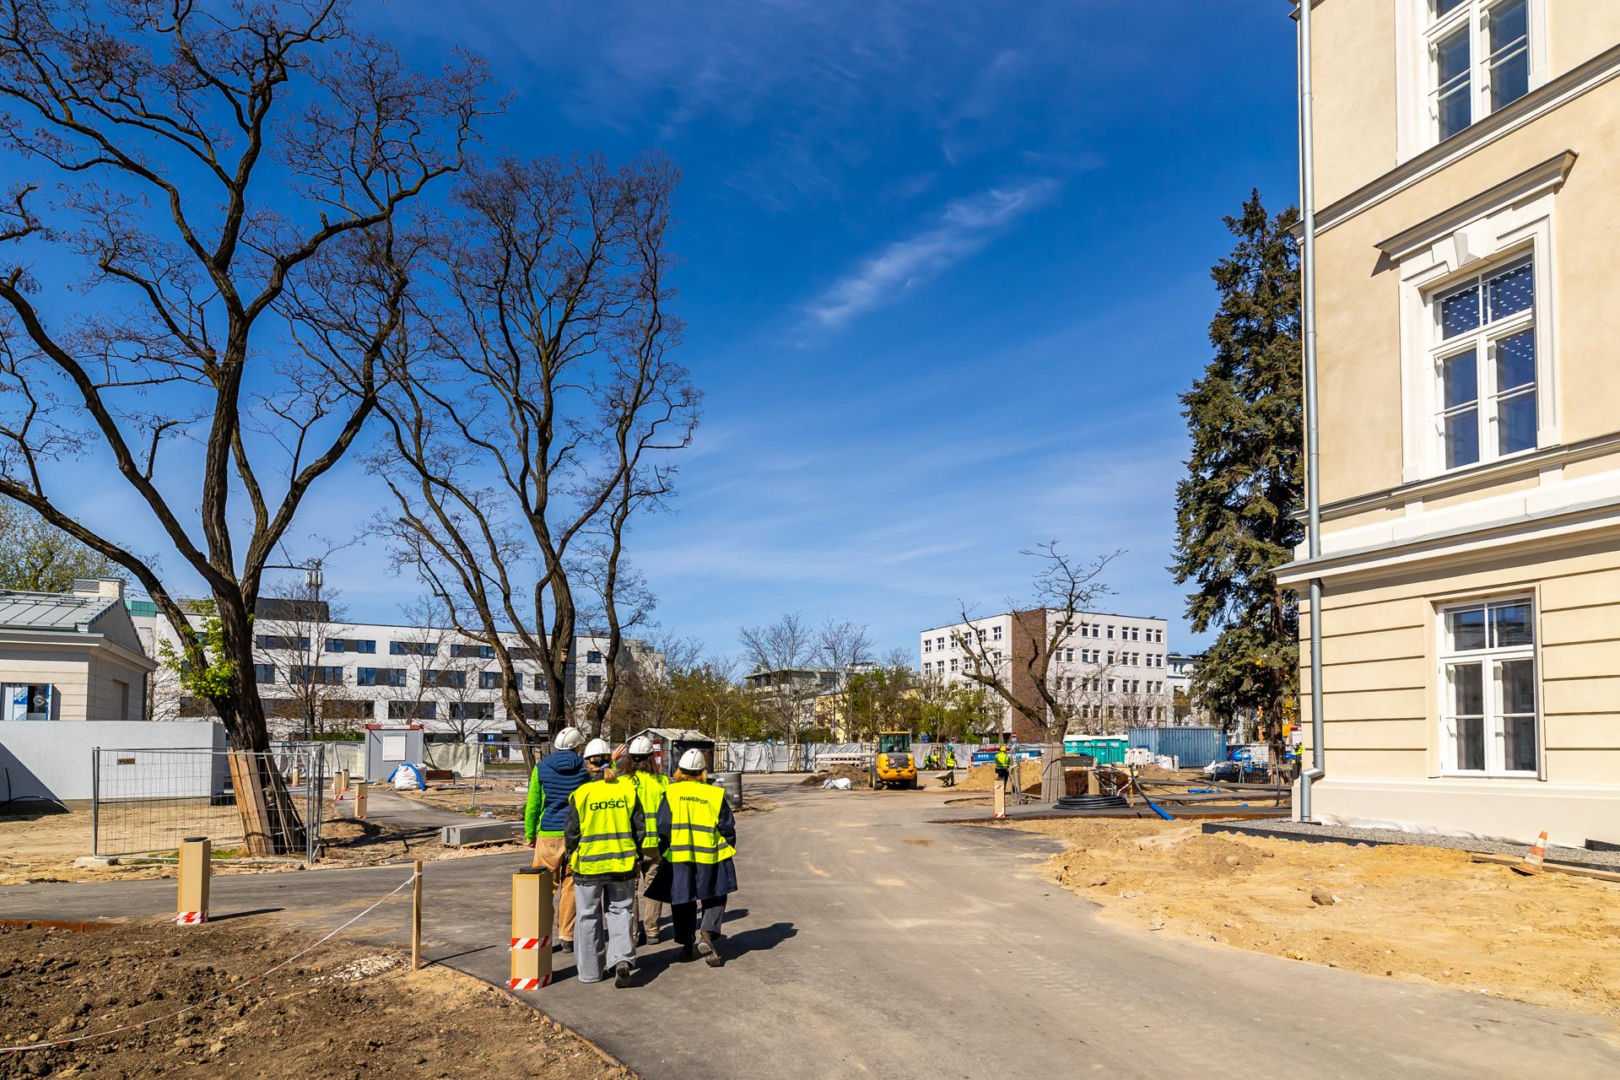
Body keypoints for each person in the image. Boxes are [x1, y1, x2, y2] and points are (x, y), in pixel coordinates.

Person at [564, 738, 645, 988]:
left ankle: (590, 972)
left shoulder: (581, 794)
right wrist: (636, 855)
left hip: (588, 867)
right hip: (622, 865)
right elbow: (639, 829)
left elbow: (572, 833)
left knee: (588, 916)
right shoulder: (627, 791)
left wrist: (572, 856)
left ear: (588, 764)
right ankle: (621, 960)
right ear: (611, 760)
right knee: (621, 912)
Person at [647, 748, 737, 967]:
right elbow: (727, 828)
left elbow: (663, 826)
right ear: (703, 772)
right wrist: (728, 847)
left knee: (683, 900)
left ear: (679, 771)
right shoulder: (714, 794)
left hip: (679, 857)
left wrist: (665, 849)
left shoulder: (671, 792)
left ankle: (687, 945)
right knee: (715, 896)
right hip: (711, 856)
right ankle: (707, 933)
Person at [524, 727, 588, 954]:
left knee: (543, 888)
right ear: (577, 746)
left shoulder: (541, 768)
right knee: (570, 885)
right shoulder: (583, 768)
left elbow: (533, 804)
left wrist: (530, 833)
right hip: (575, 835)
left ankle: (539, 936)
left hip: (548, 834)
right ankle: (567, 937)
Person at [625, 735, 668, 945]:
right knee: (653, 887)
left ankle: (633, 934)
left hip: (632, 844)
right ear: (651, 757)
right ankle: (652, 931)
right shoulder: (662, 781)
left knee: (630, 890)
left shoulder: (624, 782)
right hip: (656, 844)